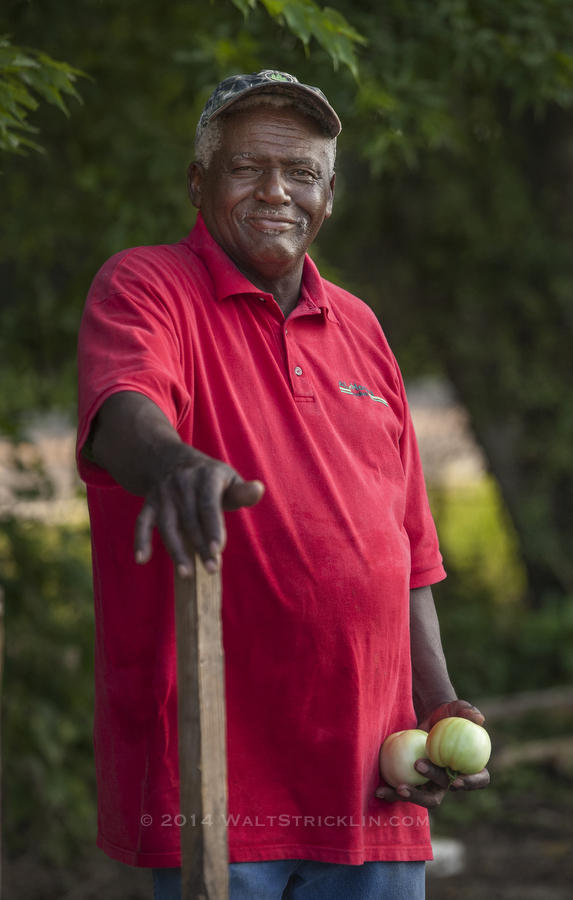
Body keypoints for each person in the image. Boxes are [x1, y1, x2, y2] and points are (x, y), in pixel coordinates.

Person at [77, 69, 489, 899]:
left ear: (329, 195)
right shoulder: (149, 286)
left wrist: (440, 705)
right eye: (245, 167)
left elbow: (406, 550)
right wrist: (171, 464)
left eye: (300, 172)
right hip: (219, 788)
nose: (276, 191)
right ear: (199, 182)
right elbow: (124, 406)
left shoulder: (362, 328)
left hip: (372, 787)